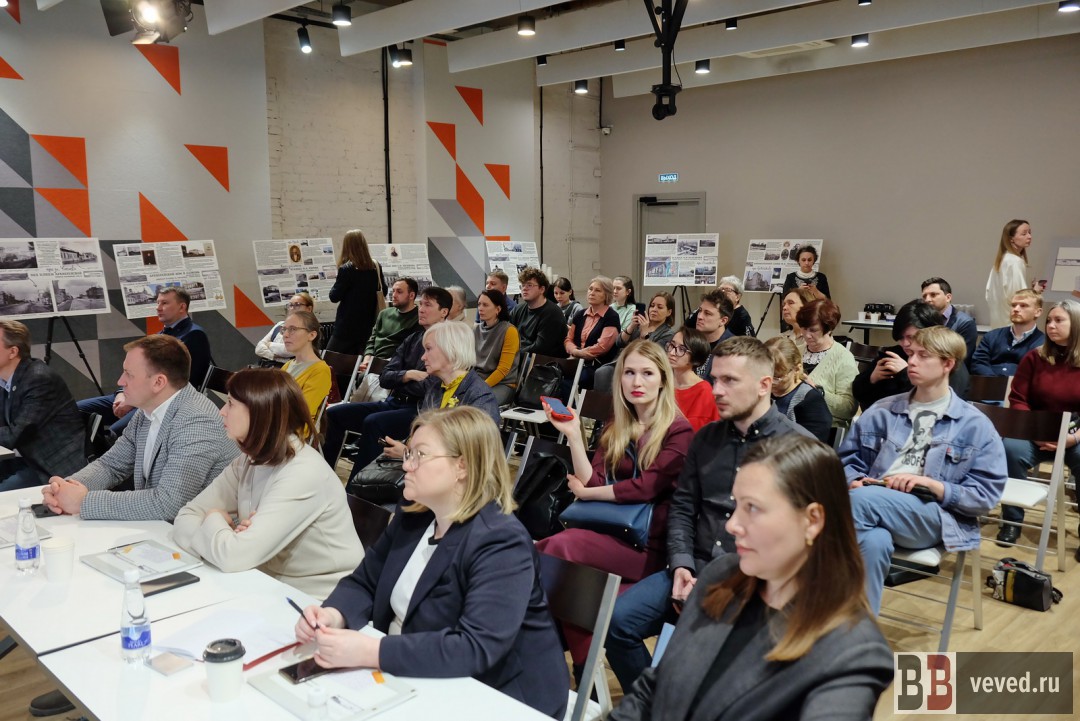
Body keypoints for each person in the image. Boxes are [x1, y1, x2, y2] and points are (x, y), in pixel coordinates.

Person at [295, 407, 569, 719]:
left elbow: (476, 647)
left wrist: (371, 651)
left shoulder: (501, 541)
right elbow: (365, 582)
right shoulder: (416, 514)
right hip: (422, 673)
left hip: (499, 696)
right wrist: (333, 615)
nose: (406, 465)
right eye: (408, 453)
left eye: (420, 455)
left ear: (462, 466)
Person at [612, 435, 893, 721]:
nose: (732, 525)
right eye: (736, 505)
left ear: (812, 520)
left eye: (753, 508)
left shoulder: (853, 652)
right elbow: (655, 688)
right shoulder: (721, 575)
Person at [604, 337, 813, 693]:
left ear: (764, 385)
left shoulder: (801, 450)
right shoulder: (706, 439)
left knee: (704, 656)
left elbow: (798, 546)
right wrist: (681, 565)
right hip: (693, 564)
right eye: (714, 379)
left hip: (752, 580)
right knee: (618, 623)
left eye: (730, 381)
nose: (716, 390)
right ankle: (656, 707)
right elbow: (683, 508)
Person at [537, 340, 693, 674]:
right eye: (629, 373)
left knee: (557, 549)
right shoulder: (617, 425)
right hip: (608, 534)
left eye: (647, 373)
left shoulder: (679, 430)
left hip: (647, 545)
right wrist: (574, 435)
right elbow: (593, 479)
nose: (637, 382)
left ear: (663, 380)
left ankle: (564, 660)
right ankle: (580, 669)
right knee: (566, 575)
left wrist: (587, 494)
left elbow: (646, 487)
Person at [840, 326, 1007, 613]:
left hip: (932, 514)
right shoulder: (882, 410)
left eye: (923, 356)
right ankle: (858, 632)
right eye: (911, 354)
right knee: (873, 541)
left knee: (850, 505)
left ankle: (805, 613)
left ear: (947, 364)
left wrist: (933, 485)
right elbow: (845, 462)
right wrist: (853, 480)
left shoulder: (974, 425)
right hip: (871, 502)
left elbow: (985, 496)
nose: (912, 361)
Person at [173, 369, 363, 600]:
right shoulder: (249, 459)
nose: (222, 411)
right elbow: (186, 516)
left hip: (318, 601)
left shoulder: (303, 472)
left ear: (260, 412)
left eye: (231, 403)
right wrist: (226, 540)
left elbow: (233, 557)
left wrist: (214, 519)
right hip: (263, 583)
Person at [42, 335, 240, 521]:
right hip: (165, 529)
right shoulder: (148, 409)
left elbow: (169, 503)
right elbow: (111, 465)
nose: (120, 381)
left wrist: (83, 502)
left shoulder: (197, 420)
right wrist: (65, 488)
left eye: (129, 374)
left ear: (158, 382)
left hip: (203, 534)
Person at [323, 286, 451, 474]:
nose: (421, 309)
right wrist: (408, 375)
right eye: (421, 304)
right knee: (335, 414)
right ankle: (325, 475)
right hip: (393, 402)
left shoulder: (448, 343)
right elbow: (384, 378)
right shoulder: (412, 339)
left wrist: (399, 380)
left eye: (428, 305)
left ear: (444, 312)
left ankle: (358, 486)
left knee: (373, 422)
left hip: (419, 410)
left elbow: (428, 387)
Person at [995, 300, 1080, 549]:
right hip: (1035, 431)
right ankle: (1011, 521)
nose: (1051, 326)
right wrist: (1035, 431)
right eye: (1049, 321)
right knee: (1010, 449)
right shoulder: (1035, 357)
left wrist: (1074, 438)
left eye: (1059, 320)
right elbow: (1018, 398)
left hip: (1074, 434)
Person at [77, 287, 213, 435]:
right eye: (158, 302)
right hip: (136, 395)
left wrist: (133, 400)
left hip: (158, 403)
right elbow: (133, 370)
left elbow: (180, 384)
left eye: (165, 303)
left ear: (182, 307)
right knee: (75, 412)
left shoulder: (194, 335)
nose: (158, 308)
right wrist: (122, 393)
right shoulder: (159, 335)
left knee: (114, 434)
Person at [0, 321, 86, 491]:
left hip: (51, 466)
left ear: (13, 351)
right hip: (26, 457)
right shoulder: (6, 378)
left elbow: (16, 434)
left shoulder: (38, 379)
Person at [853, 298, 970, 411]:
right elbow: (858, 393)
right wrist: (871, 379)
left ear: (931, 332)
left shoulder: (946, 361)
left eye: (911, 337)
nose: (905, 344)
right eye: (901, 337)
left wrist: (904, 373)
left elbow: (937, 403)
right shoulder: (894, 354)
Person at [595, 292, 677, 392]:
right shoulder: (640, 324)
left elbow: (653, 356)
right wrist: (631, 326)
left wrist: (644, 335)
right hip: (624, 362)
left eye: (660, 307)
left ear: (669, 312)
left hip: (645, 368)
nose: (654, 309)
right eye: (652, 306)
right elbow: (619, 342)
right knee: (602, 372)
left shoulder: (668, 334)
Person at [796, 298, 858, 428]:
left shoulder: (843, 358)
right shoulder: (796, 352)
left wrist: (818, 392)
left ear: (829, 329)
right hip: (793, 424)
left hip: (825, 429)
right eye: (804, 328)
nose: (807, 335)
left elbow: (849, 409)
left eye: (813, 330)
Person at [325, 229, 385, 355]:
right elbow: (383, 290)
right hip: (368, 326)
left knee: (330, 358)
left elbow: (334, 297)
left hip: (346, 327)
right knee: (361, 361)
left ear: (346, 246)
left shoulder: (346, 269)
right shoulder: (375, 266)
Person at [764, 336, 832, 442]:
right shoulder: (762, 392)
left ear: (796, 369)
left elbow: (811, 447)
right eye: (765, 376)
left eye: (777, 377)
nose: (771, 382)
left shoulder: (811, 401)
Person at [970, 289, 1044, 377]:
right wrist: (996, 382)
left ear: (1038, 312)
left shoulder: (1044, 344)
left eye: (1023, 305)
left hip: (1021, 384)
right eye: (1013, 305)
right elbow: (978, 363)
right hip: (988, 383)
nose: (1016, 309)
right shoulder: (991, 336)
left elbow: (1040, 373)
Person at [565, 276, 621, 391]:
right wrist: (576, 351)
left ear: (606, 295)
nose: (592, 293)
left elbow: (602, 347)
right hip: (576, 361)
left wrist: (580, 353)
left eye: (597, 290)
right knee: (555, 373)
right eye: (590, 289)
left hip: (597, 366)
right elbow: (568, 339)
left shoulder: (611, 317)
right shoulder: (580, 314)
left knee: (571, 381)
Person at [280, 310, 332, 417]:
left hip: (296, 426)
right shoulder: (287, 366)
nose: (285, 335)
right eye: (284, 329)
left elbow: (303, 414)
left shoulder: (320, 370)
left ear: (311, 335)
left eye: (293, 329)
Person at [474, 289, 521, 405]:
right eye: (479, 304)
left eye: (485, 305)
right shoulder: (476, 329)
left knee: (477, 403)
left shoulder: (509, 331)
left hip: (503, 384)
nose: (480, 308)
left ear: (498, 309)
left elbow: (503, 369)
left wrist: (481, 386)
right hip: (478, 380)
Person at [667, 327, 719, 431]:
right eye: (672, 345)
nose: (672, 352)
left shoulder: (704, 391)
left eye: (681, 349)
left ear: (695, 356)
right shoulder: (663, 383)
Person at [509, 268, 568, 358]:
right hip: (520, 356)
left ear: (542, 289)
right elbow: (507, 334)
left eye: (529, 285)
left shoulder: (552, 313)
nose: (524, 288)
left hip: (543, 361)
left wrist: (512, 354)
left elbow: (540, 348)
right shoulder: (518, 309)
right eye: (523, 285)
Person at [986, 219, 1032, 329]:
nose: (1029, 236)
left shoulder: (1002, 260)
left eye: (1030, 233)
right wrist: (1035, 292)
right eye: (1024, 234)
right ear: (1011, 238)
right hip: (1011, 324)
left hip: (998, 323)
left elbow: (989, 294)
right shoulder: (1015, 262)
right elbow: (1020, 296)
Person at [921, 277, 978, 359]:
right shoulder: (923, 319)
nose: (927, 300)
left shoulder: (965, 323)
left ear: (948, 297)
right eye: (924, 296)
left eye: (933, 295)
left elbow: (962, 359)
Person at [254, 293, 314, 366]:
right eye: (290, 305)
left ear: (309, 309)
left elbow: (290, 350)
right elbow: (259, 348)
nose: (292, 308)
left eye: (297, 305)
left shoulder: (309, 328)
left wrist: (269, 345)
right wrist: (273, 356)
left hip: (290, 368)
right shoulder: (280, 324)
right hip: (266, 365)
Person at [780, 245, 830, 332]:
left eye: (809, 260)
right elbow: (784, 298)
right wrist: (798, 291)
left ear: (814, 261)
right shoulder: (791, 277)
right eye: (803, 260)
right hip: (795, 316)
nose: (806, 263)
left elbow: (828, 300)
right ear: (798, 261)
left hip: (816, 316)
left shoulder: (821, 277)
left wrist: (816, 292)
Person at [692, 289, 734, 381]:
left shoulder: (732, 350)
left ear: (723, 321)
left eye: (707, 313)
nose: (699, 316)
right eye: (700, 311)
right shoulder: (692, 343)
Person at [779, 286, 825, 353]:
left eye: (791, 303)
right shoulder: (782, 338)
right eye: (784, 304)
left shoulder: (818, 337)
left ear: (806, 305)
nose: (784, 308)